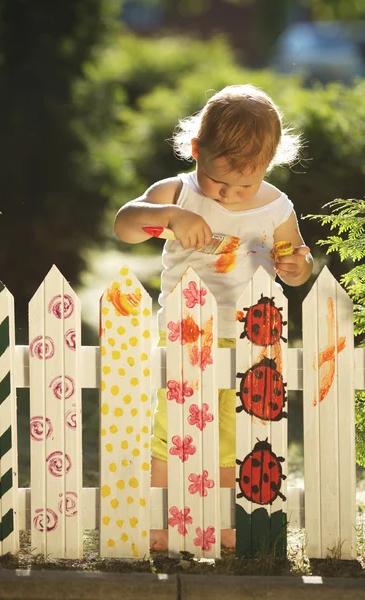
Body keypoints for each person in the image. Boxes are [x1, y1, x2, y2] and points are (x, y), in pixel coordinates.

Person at [113, 84, 313, 551]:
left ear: (268, 165)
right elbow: (124, 224)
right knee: (172, 429)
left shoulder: (276, 206)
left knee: (232, 434)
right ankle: (161, 520)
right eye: (218, 181)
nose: (227, 195)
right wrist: (166, 215)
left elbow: (298, 257)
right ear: (195, 150)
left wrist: (297, 266)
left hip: (249, 339)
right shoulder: (179, 192)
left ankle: (224, 520)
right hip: (188, 335)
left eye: (243, 184)